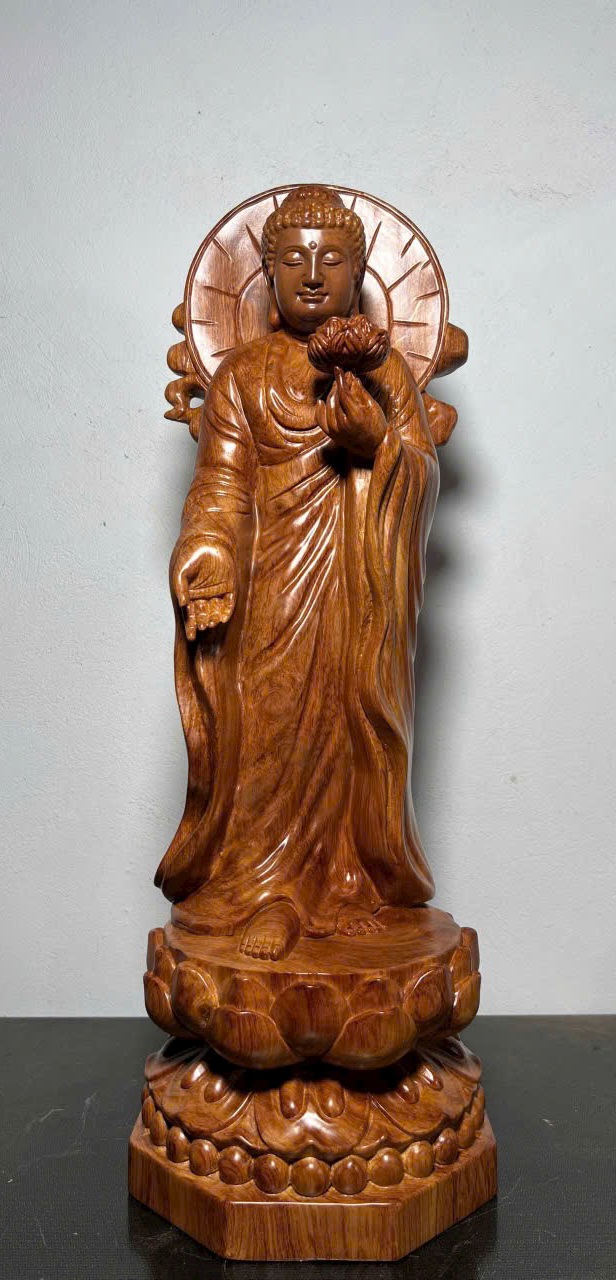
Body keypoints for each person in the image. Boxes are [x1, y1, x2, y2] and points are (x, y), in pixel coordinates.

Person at [155, 186, 439, 961]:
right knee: (270, 730)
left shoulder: (384, 371)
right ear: (267, 273)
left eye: (332, 258)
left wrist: (378, 445)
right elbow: (220, 485)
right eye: (292, 259)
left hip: (360, 582)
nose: (313, 275)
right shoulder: (243, 376)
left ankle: (345, 887)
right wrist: (207, 552)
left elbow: (420, 472)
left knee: (351, 726)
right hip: (272, 589)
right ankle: (265, 888)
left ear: (360, 273)